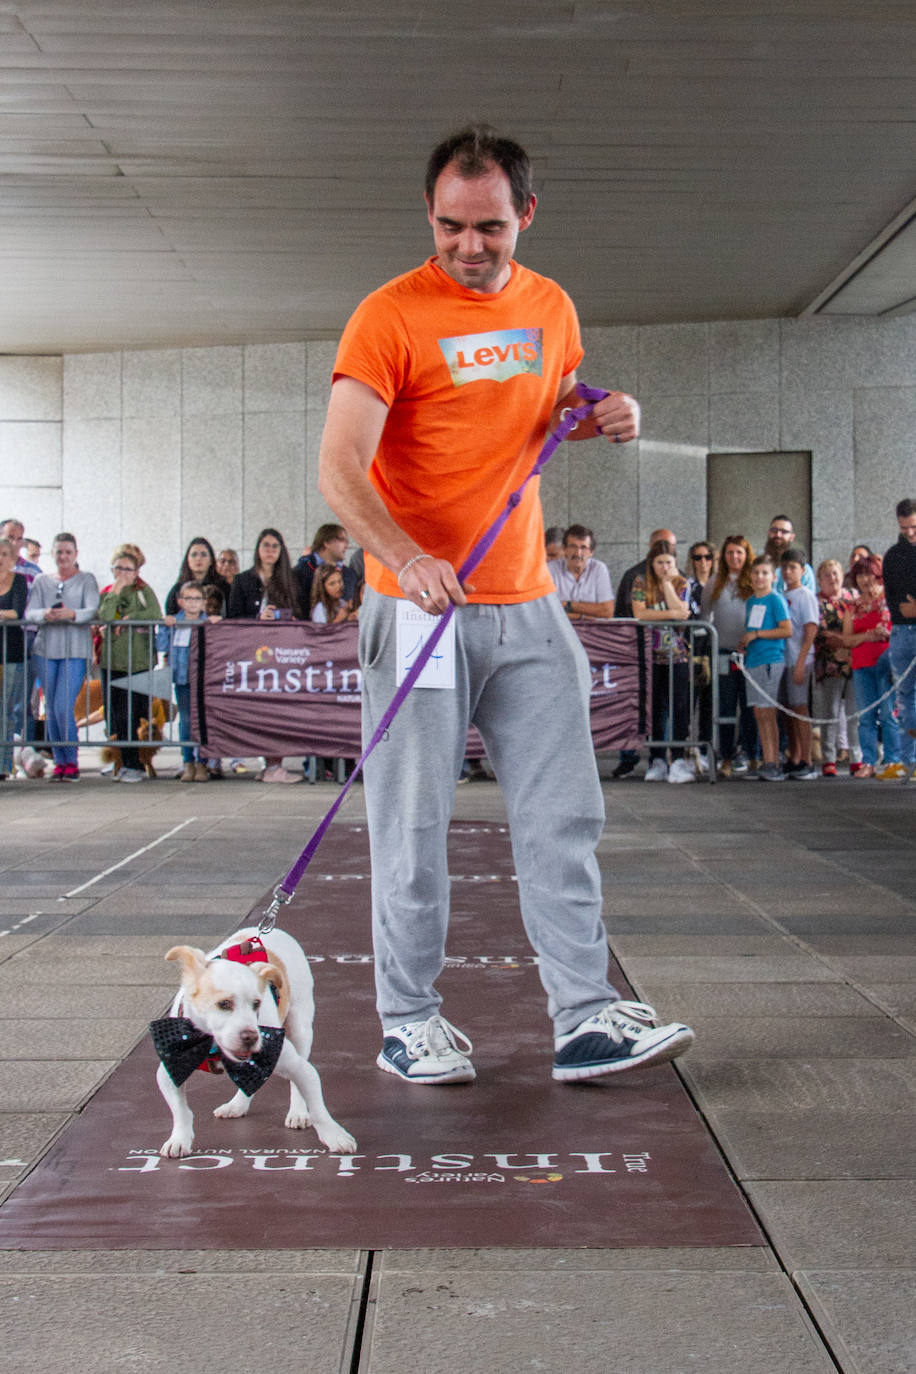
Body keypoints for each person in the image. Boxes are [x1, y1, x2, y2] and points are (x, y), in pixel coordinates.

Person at [317, 123, 693, 1085]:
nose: (470, 248)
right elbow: (337, 466)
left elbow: (558, 396)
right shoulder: (388, 317)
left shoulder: (551, 304)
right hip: (417, 608)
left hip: (527, 609)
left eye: (489, 227)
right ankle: (409, 1020)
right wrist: (403, 555)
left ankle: (586, 1016)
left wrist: (608, 408)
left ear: (526, 213)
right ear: (430, 217)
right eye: (450, 227)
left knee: (565, 814)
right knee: (411, 826)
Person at [227, 528, 302, 783]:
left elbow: (301, 613)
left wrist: (290, 618)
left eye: (275, 546)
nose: (270, 550)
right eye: (266, 545)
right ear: (258, 549)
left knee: (279, 709)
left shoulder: (290, 580)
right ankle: (266, 762)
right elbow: (233, 617)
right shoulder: (242, 580)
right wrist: (257, 619)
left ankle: (275, 764)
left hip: (282, 654)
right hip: (252, 652)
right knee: (258, 709)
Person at [23, 532, 99, 780]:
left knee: (64, 707)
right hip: (45, 650)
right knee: (51, 709)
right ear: (53, 554)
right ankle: (60, 760)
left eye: (68, 552)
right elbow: (30, 612)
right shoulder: (42, 581)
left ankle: (71, 759)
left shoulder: (86, 579)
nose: (63, 556)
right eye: (59, 552)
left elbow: (91, 610)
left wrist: (70, 614)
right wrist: (45, 613)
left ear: (75, 554)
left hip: (74, 650)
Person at [611, 526, 677, 779]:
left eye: (668, 549)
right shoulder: (634, 577)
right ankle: (627, 758)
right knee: (631, 706)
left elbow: (684, 612)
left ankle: (659, 758)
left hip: (667, 654)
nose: (663, 554)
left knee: (662, 707)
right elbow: (627, 613)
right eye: (658, 547)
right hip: (634, 651)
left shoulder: (678, 578)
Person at [96, 549, 163, 783]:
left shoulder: (144, 591)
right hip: (111, 661)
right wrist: (115, 591)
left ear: (136, 572)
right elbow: (104, 615)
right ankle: (120, 760)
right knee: (114, 715)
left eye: (127, 569)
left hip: (138, 662)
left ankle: (134, 764)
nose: (122, 573)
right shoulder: (108, 592)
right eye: (118, 568)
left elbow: (155, 613)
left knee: (132, 714)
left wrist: (129, 618)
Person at [631, 540, 694, 783]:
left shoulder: (682, 583)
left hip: (677, 656)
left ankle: (678, 759)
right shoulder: (640, 582)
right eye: (660, 563)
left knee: (679, 707)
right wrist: (672, 614)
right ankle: (656, 758)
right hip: (650, 656)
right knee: (655, 709)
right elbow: (640, 613)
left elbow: (683, 611)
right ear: (651, 563)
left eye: (669, 562)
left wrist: (668, 585)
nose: (664, 567)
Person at [700, 535, 758, 776]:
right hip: (723, 651)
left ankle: (752, 754)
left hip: (751, 651)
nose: (735, 557)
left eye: (739, 553)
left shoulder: (755, 580)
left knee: (750, 706)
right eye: (730, 552)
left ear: (747, 556)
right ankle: (726, 755)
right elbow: (705, 615)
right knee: (725, 704)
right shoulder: (715, 582)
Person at [843, 554, 903, 779]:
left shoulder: (890, 599)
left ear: (878, 575)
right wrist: (869, 635)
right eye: (860, 575)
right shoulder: (852, 606)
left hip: (887, 664)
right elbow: (846, 639)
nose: (865, 580)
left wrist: (872, 636)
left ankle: (893, 761)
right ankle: (867, 761)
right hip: (861, 665)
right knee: (865, 716)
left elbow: (895, 632)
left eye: (869, 574)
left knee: (889, 714)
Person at [157, 581, 219, 782]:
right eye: (189, 599)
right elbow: (162, 645)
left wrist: (217, 624)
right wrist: (165, 626)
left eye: (197, 599)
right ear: (181, 602)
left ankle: (202, 763)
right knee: (185, 720)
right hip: (182, 677)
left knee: (201, 720)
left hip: (202, 678)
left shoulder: (208, 622)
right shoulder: (175, 622)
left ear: (203, 602)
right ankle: (187, 763)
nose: (193, 603)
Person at [737, 555, 791, 782]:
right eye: (756, 573)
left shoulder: (775, 600)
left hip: (770, 659)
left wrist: (757, 634)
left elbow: (786, 629)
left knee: (768, 712)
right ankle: (765, 759)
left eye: (765, 573)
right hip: (754, 660)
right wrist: (746, 641)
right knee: (759, 712)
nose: (760, 577)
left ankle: (772, 762)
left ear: (773, 577)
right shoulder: (751, 601)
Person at [813, 559, 860, 777]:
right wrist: (847, 641)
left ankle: (857, 757)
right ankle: (829, 758)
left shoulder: (853, 598)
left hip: (854, 662)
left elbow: (862, 625)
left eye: (835, 573)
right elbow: (822, 633)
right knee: (830, 712)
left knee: (855, 713)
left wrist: (847, 643)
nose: (832, 578)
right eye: (827, 575)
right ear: (819, 580)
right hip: (830, 664)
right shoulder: (818, 602)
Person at [779, 546, 819, 779]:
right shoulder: (783, 596)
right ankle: (793, 756)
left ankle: (807, 758)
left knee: (800, 707)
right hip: (784, 658)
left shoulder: (805, 595)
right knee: (788, 711)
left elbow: (810, 628)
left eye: (792, 567)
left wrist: (802, 660)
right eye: (784, 567)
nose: (787, 572)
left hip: (799, 658)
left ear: (802, 571)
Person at [882, 497, 916, 773]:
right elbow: (891, 595)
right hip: (901, 630)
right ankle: (909, 759)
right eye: (904, 528)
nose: (910, 533)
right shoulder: (893, 555)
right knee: (904, 698)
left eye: (914, 527)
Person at [0, 538, 28, 780]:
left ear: (12, 558)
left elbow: (16, 612)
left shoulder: (18, 581)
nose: (1, 558)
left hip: (11, 654)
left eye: (5, 554)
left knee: (6, 710)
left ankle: (3, 764)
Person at [547, 524, 614, 620]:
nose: (578, 553)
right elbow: (548, 611)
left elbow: (607, 611)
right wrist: (583, 616)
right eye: (573, 547)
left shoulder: (599, 569)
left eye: (583, 548)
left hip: (594, 632)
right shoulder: (551, 569)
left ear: (591, 552)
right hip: (561, 632)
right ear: (564, 549)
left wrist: (567, 605)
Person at [296, 523, 357, 614]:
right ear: (327, 542)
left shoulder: (350, 575)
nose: (346, 545)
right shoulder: (301, 572)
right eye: (342, 540)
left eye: (347, 541)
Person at [164, 537, 230, 617]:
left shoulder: (223, 587)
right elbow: (171, 616)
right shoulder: (177, 589)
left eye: (203, 555)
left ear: (211, 560)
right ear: (187, 560)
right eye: (194, 555)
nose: (198, 558)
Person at [765, 515, 815, 593]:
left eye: (784, 532)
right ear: (768, 533)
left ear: (792, 537)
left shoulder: (803, 570)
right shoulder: (758, 566)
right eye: (774, 530)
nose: (778, 535)